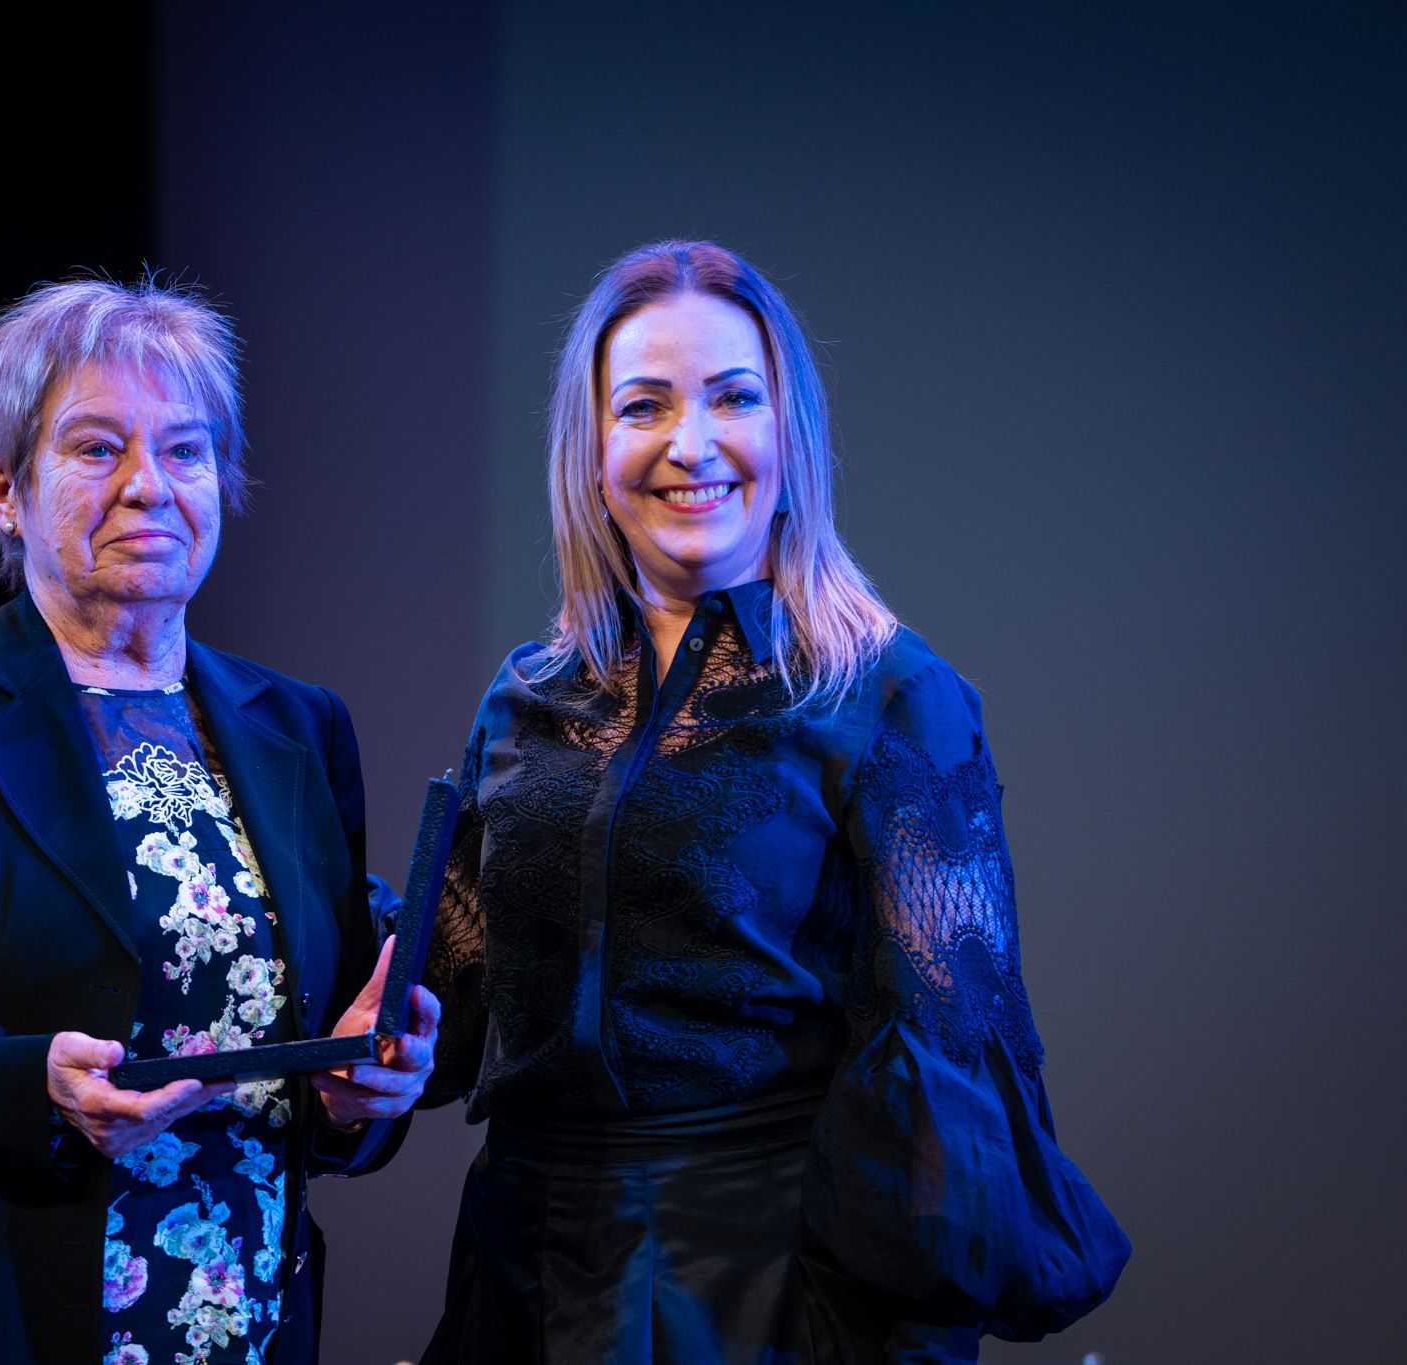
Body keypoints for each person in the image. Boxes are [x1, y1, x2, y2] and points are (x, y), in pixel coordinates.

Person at [419, 240, 1128, 1364]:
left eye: (733, 398)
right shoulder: (526, 696)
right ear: (590, 453)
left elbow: (950, 1055)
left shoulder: (886, 694)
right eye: (643, 406)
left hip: (763, 1286)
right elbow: (451, 992)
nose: (690, 444)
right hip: (523, 1271)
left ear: (788, 436)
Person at [0, 276, 437, 1365]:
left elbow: (322, 1069)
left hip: (241, 1318)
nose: (148, 485)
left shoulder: (299, 728)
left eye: (186, 450)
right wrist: (27, 1088)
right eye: (98, 449)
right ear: (4, 489)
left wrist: (360, 1096)